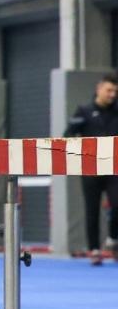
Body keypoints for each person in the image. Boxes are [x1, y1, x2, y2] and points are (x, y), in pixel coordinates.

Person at [64, 73, 118, 264]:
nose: (112, 95)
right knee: (92, 209)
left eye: (115, 91)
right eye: (109, 90)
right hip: (91, 169)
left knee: (117, 203)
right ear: (99, 89)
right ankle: (94, 250)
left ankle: (113, 239)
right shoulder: (83, 111)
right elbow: (68, 136)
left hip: (114, 168)